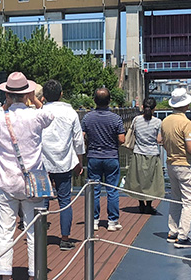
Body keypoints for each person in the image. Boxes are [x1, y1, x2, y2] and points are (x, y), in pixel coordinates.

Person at [0, 72, 54, 280]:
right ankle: (35, 278)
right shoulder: (36, 116)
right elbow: (49, 115)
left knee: (5, 230)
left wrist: (10, 100)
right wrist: (34, 99)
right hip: (32, 181)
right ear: (27, 93)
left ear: (7, 93)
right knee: (34, 230)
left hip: (6, 180)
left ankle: (5, 278)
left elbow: (2, 114)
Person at [40, 79, 84, 250]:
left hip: (42, 162)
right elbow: (78, 140)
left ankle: (41, 235)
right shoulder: (71, 113)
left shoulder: (40, 112)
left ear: (44, 96)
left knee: (42, 201)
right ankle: (65, 239)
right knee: (65, 201)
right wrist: (79, 162)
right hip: (64, 161)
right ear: (61, 94)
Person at [82, 87, 126, 232]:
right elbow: (122, 139)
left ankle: (94, 221)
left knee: (94, 190)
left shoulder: (88, 117)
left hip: (93, 156)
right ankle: (112, 222)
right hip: (111, 156)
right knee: (112, 190)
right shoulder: (116, 118)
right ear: (109, 100)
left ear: (94, 100)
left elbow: (81, 137)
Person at [160, 88, 191, 249]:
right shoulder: (186, 123)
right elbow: (190, 148)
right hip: (185, 164)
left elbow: (161, 140)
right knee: (189, 201)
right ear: (186, 105)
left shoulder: (165, 121)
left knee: (175, 199)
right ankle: (183, 236)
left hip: (170, 163)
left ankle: (172, 231)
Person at [125, 97, 163, 214]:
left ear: (142, 107)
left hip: (138, 153)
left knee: (138, 180)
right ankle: (149, 205)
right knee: (151, 181)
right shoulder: (158, 122)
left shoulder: (136, 120)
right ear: (154, 109)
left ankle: (141, 204)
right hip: (152, 154)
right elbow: (159, 140)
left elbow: (133, 134)